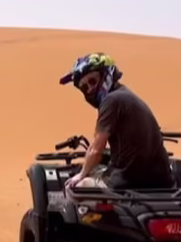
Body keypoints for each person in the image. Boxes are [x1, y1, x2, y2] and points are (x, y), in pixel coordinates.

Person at [58, 52, 173, 191]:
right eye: (84, 87)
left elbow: (95, 150)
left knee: (75, 187)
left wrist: (81, 175)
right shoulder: (128, 96)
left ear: (105, 74)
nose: (90, 88)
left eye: (92, 81)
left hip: (126, 182)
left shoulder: (111, 101)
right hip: (163, 182)